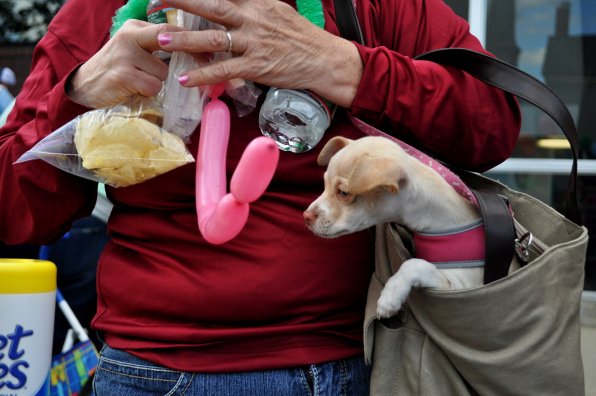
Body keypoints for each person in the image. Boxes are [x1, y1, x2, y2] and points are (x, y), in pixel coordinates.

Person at [0, 0, 520, 394]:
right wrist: (77, 94)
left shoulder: (363, 6)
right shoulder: (101, 11)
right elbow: (14, 213)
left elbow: (492, 122)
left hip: (342, 364)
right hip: (145, 369)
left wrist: (341, 65)